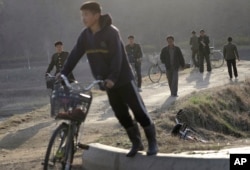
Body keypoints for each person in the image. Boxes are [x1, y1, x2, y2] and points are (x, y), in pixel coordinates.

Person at [59, 1, 158, 157]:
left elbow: (118, 57)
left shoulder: (111, 32)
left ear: (96, 15)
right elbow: (75, 54)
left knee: (138, 110)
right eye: (82, 15)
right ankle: (136, 142)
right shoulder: (85, 36)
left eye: (86, 14)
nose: (83, 18)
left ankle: (152, 142)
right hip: (106, 82)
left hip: (123, 78)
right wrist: (63, 72)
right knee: (121, 114)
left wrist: (112, 77)